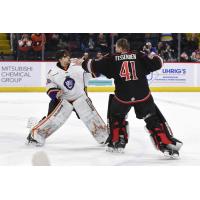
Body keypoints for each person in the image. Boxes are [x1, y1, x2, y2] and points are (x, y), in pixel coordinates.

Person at [81, 38, 183, 158]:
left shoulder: (113, 58)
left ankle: (117, 140)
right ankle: (166, 144)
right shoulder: (139, 55)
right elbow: (159, 63)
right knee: (152, 118)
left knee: (116, 115)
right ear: (128, 47)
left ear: (118, 47)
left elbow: (93, 66)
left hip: (123, 96)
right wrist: (153, 54)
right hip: (142, 95)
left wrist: (83, 62)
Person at [27, 50, 108, 146]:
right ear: (60, 59)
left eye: (68, 56)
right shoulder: (53, 72)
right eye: (65, 56)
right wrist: (56, 93)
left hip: (80, 99)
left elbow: (93, 74)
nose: (68, 58)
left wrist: (97, 64)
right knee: (51, 120)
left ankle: (104, 137)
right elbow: (49, 86)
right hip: (63, 101)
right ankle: (35, 135)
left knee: (91, 118)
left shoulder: (77, 64)